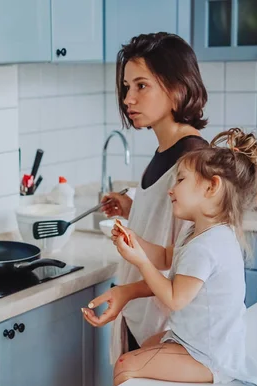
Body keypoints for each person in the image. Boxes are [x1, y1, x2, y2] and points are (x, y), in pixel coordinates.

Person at [83, 32, 210, 362]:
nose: (128, 99)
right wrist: (134, 209)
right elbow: (170, 225)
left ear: (177, 89)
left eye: (141, 86)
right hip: (142, 316)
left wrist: (127, 294)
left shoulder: (194, 162)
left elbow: (181, 261)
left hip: (165, 329)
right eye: (127, 87)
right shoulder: (166, 150)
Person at [106, 128, 257, 386]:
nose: (171, 190)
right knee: (145, 346)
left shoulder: (209, 246)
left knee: (125, 366)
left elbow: (175, 298)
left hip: (209, 356)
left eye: (180, 180)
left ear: (211, 186)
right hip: (192, 341)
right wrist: (134, 241)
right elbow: (167, 256)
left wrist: (139, 260)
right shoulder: (196, 232)